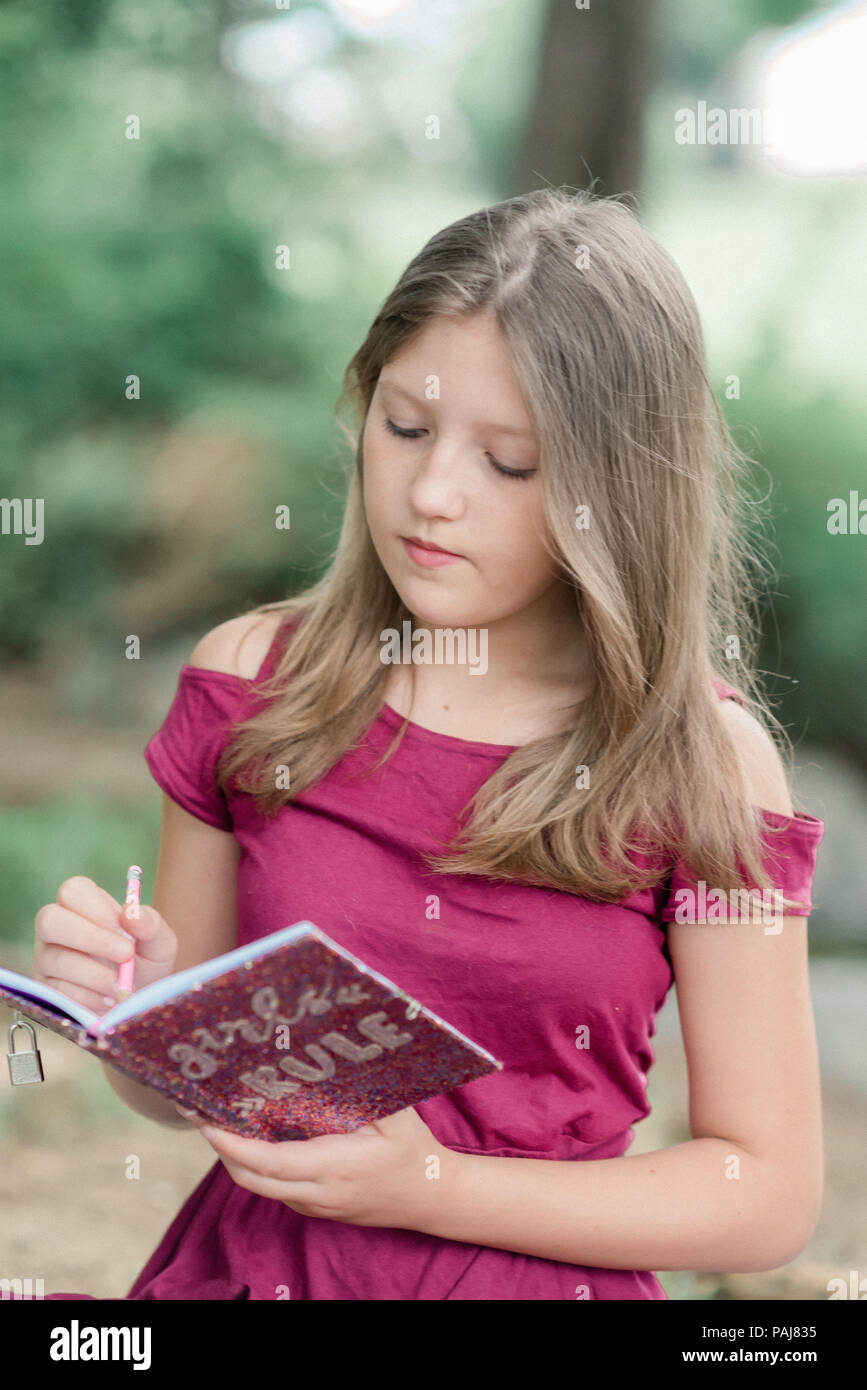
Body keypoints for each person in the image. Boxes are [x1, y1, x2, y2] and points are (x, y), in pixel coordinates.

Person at [33, 187, 824, 1300]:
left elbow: (766, 1192)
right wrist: (147, 1010)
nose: (433, 493)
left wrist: (431, 1185)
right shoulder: (257, 684)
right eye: (406, 427)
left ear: (621, 488)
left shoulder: (708, 764)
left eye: (509, 462)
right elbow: (178, 1104)